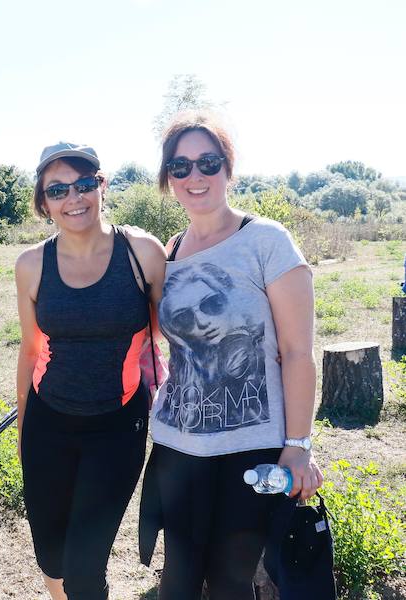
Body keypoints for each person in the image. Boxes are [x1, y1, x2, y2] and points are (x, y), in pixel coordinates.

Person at [140, 111, 323, 600]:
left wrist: (298, 445)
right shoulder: (169, 254)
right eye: (180, 167)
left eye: (208, 162)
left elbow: (297, 353)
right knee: (176, 583)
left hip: (252, 450)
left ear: (228, 168)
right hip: (178, 448)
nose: (194, 176)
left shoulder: (267, 241)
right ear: (167, 178)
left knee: (229, 583)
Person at [15, 143, 166, 600]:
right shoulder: (31, 265)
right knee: (52, 557)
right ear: (44, 203)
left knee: (84, 568)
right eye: (57, 190)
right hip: (48, 423)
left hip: (117, 427)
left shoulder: (143, 253)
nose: (72, 198)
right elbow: (29, 350)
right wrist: (24, 431)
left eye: (83, 184)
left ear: (102, 185)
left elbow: (168, 341)